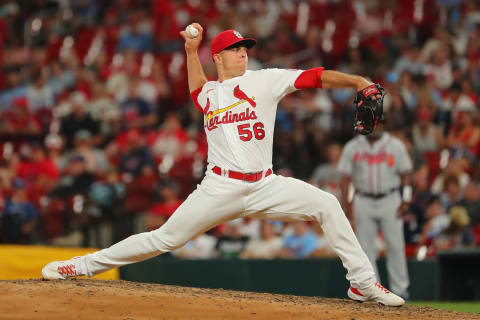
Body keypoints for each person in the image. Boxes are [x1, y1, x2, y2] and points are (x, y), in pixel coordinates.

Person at [41, 23, 404, 306]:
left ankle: (362, 283)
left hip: (266, 184)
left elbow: (316, 76)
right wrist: (190, 51)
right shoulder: (210, 94)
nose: (243, 53)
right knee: (164, 238)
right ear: (218, 57)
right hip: (220, 187)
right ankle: (81, 266)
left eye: (245, 47)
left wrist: (358, 81)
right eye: (234, 49)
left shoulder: (265, 80)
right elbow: (196, 88)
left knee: (327, 204)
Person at [337, 123, 412, 300]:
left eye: (377, 124)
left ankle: (401, 290)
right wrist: (347, 205)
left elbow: (406, 175)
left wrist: (406, 198)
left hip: (390, 199)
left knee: (395, 246)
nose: (374, 128)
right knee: (365, 249)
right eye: (371, 124)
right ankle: (372, 290)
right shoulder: (353, 146)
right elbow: (345, 179)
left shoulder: (395, 145)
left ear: (384, 125)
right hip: (363, 199)